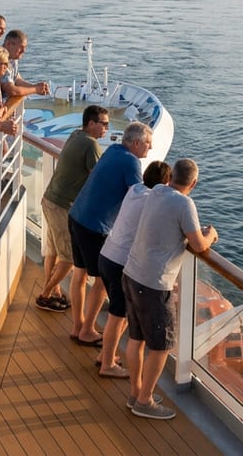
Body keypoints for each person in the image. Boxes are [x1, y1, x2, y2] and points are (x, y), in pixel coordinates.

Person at [123, 158, 217, 420]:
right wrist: (211, 234)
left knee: (136, 339)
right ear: (194, 183)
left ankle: (136, 393)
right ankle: (144, 402)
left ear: (171, 176)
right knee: (162, 347)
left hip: (131, 273)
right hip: (154, 283)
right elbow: (199, 245)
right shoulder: (185, 203)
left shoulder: (156, 191)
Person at [66, 121, 152, 346]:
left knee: (80, 273)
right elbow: (139, 197)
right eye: (148, 144)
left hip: (76, 216)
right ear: (136, 143)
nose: (150, 148)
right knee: (102, 282)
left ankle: (78, 326)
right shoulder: (131, 162)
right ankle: (87, 331)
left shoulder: (113, 150)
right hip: (94, 226)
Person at [96, 160, 171, 379]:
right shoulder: (151, 201)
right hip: (120, 262)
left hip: (107, 254)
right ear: (164, 183)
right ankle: (107, 363)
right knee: (117, 316)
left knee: (120, 315)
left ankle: (105, 355)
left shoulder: (135, 190)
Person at [34, 105, 108, 316]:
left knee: (54, 250)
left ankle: (54, 291)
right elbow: (97, 177)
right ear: (91, 123)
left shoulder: (76, 135)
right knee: (67, 258)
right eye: (103, 124)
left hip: (50, 199)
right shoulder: (91, 144)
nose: (106, 128)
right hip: (62, 206)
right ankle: (45, 294)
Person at [0, 29, 49, 98]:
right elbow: (11, 90)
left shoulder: (13, 57)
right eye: (21, 47)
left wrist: (35, 86)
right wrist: (35, 90)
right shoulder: (0, 61)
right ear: (8, 44)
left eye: (25, 47)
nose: (23, 51)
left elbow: (17, 79)